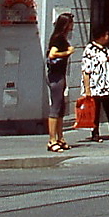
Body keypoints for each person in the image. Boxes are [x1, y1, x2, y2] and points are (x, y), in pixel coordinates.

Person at [80, 28, 109, 142]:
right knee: (95, 111)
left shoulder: (106, 50)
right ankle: (95, 133)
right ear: (100, 36)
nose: (108, 37)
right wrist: (87, 89)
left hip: (108, 86)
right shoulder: (90, 50)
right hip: (96, 86)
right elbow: (86, 70)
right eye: (106, 34)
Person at [45, 12, 75, 152]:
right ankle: (52, 140)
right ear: (65, 25)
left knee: (61, 107)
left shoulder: (60, 38)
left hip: (59, 75)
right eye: (70, 24)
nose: (72, 26)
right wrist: (67, 52)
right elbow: (52, 54)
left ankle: (60, 138)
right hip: (56, 76)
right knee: (56, 107)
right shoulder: (58, 39)